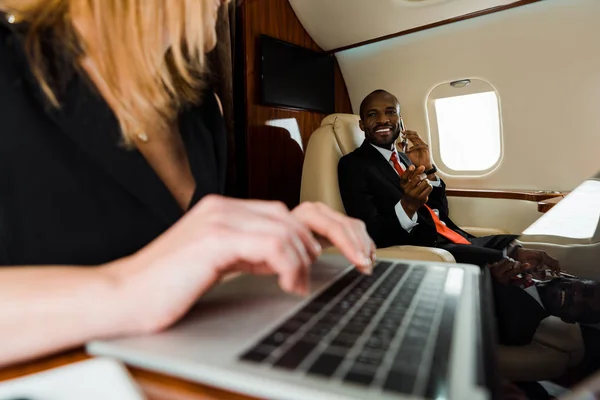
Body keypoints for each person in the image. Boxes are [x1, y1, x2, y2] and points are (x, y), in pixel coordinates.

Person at [0, 1, 377, 368]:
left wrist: (278, 241)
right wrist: (126, 289)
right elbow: (155, 281)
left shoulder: (200, 109)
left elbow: (187, 270)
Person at [338, 89, 600, 344]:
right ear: (362, 124)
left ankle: (567, 294)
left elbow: (439, 213)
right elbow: (372, 234)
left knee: (526, 246)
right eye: (373, 115)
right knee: (507, 264)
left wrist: (429, 169)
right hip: (429, 249)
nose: (383, 120)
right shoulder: (353, 165)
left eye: (390, 113)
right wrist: (407, 205)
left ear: (400, 120)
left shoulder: (406, 159)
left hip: (454, 237)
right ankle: (557, 305)